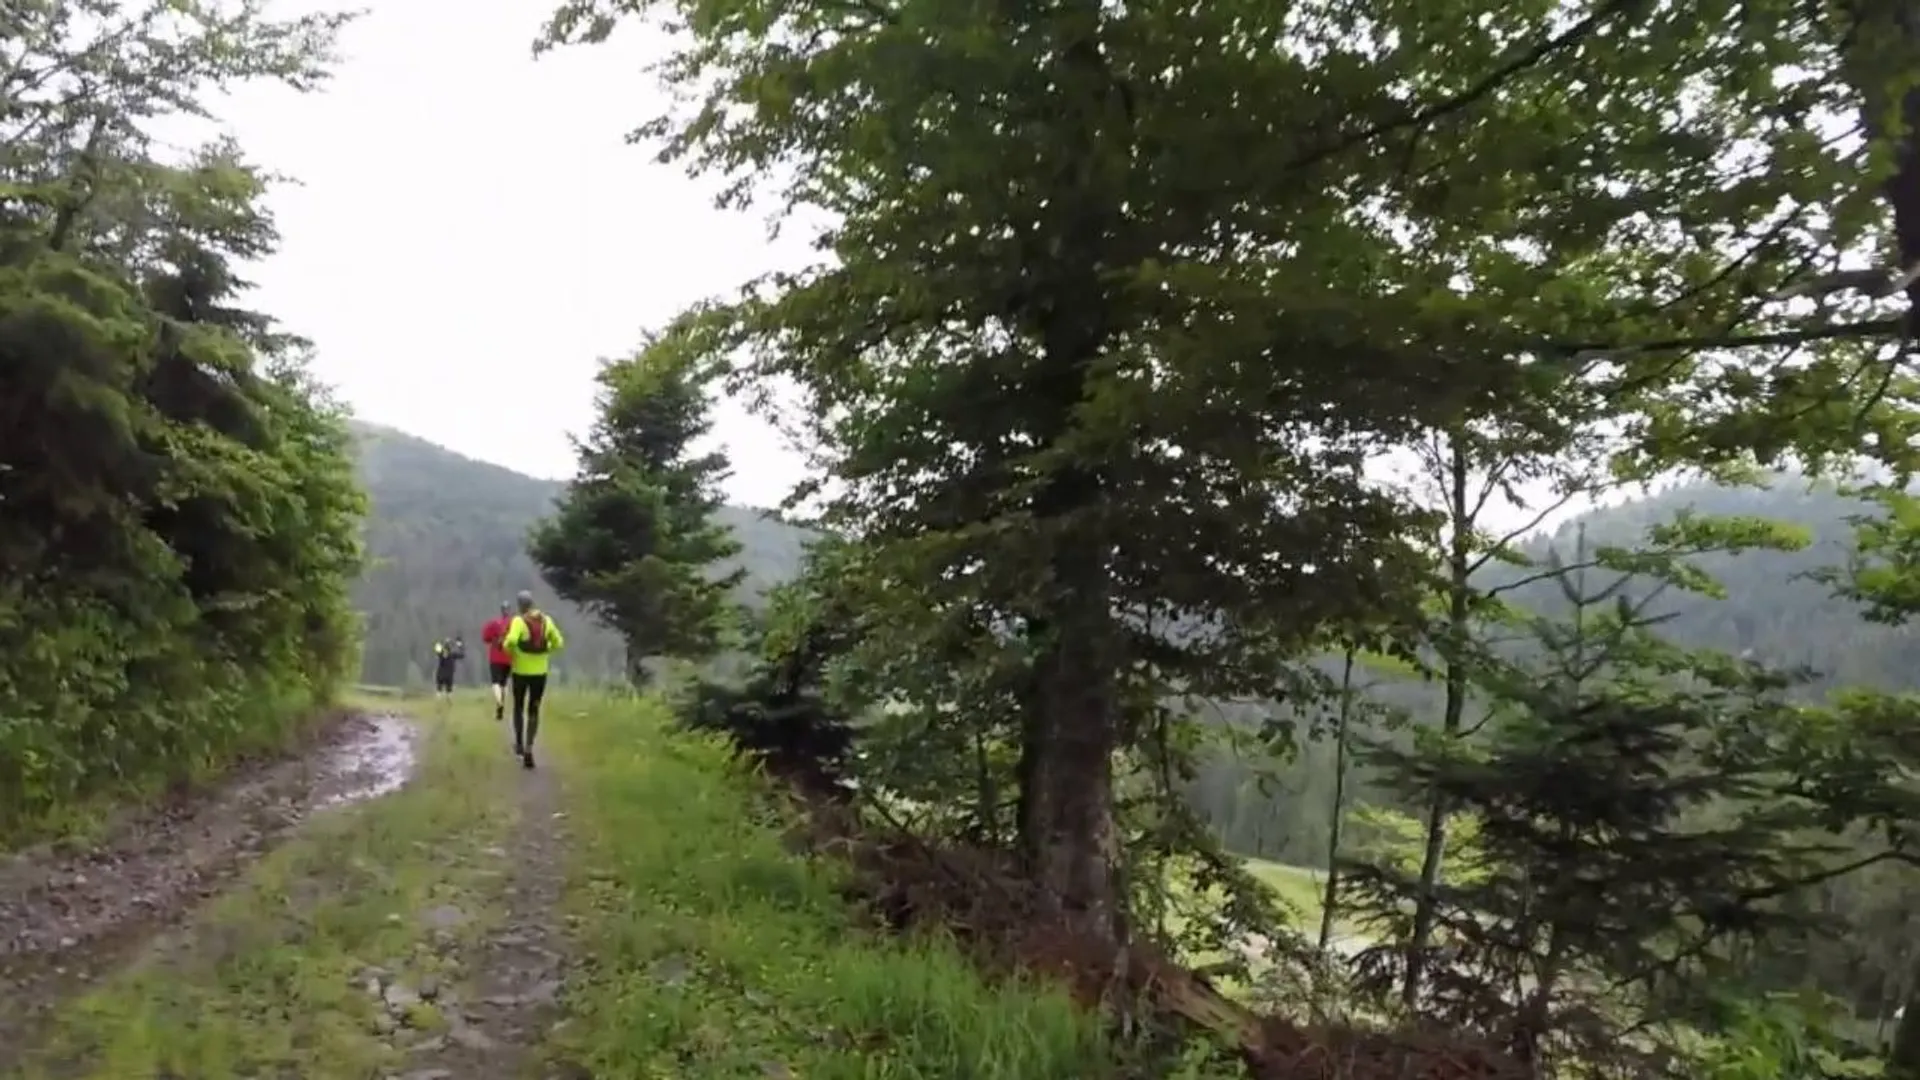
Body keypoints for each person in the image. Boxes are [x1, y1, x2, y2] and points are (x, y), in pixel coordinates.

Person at [501, 590, 565, 769]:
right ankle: (530, 747)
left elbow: (510, 641)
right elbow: (559, 643)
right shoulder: (547, 621)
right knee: (534, 710)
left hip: (520, 672)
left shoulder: (518, 621)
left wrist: (509, 651)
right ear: (532, 603)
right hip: (540, 673)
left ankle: (519, 744)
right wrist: (545, 650)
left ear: (520, 605)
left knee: (518, 707)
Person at [480, 601, 514, 720]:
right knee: (504, 684)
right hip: (508, 657)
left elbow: (485, 638)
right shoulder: (514, 623)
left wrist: (494, 640)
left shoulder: (493, 623)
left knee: (495, 683)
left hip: (495, 658)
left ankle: (499, 703)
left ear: (501, 610)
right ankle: (502, 704)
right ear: (509, 610)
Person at [431, 633, 465, 702]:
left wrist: (443, 642)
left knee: (439, 689)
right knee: (449, 690)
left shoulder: (441, 653)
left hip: (440, 674)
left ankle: (439, 702)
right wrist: (460, 645)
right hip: (449, 675)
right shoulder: (453, 655)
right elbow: (462, 655)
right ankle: (449, 702)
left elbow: (436, 647)